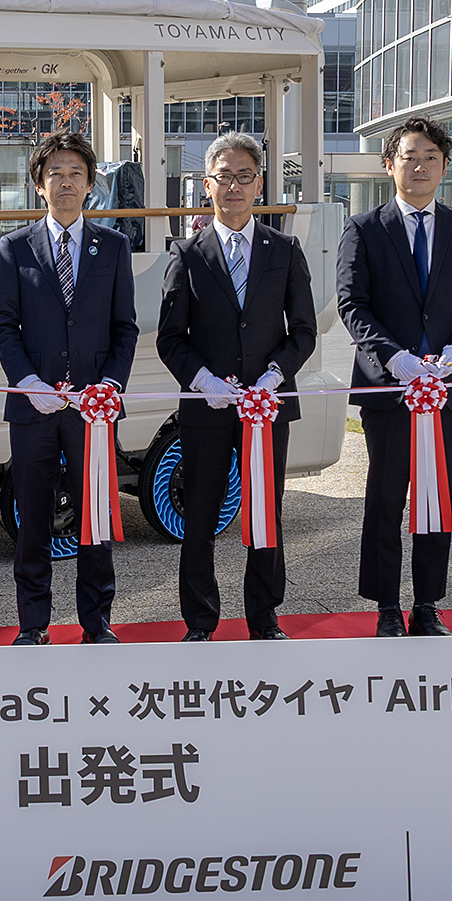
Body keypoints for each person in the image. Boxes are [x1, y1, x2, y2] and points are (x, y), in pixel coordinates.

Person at [336, 116, 452, 637]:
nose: (420, 165)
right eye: (409, 156)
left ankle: (427, 604)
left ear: (445, 167)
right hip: (390, 391)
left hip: (448, 389)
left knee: (438, 500)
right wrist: (395, 358)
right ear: (390, 165)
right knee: (386, 498)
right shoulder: (365, 228)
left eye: (431, 156)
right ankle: (386, 605)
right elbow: (352, 305)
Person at [157, 132, 316, 641]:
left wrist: (274, 376)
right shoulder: (187, 252)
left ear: (259, 184)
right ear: (207, 185)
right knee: (199, 515)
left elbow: (304, 331)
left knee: (266, 514)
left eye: (243, 176)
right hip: (207, 408)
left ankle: (264, 617)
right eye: (223, 176)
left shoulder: (286, 250)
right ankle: (200, 621)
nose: (233, 186)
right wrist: (204, 382)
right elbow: (170, 339)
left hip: (267, 407)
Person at [0, 130, 138, 646]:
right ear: (39, 184)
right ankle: (33, 624)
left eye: (76, 173)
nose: (66, 182)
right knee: (32, 518)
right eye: (56, 173)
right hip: (33, 410)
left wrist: (110, 386)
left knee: (94, 518)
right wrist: (28, 383)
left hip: (92, 412)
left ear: (91, 183)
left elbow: (125, 329)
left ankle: (96, 621)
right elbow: (4, 324)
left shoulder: (114, 247)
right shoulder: (15, 247)